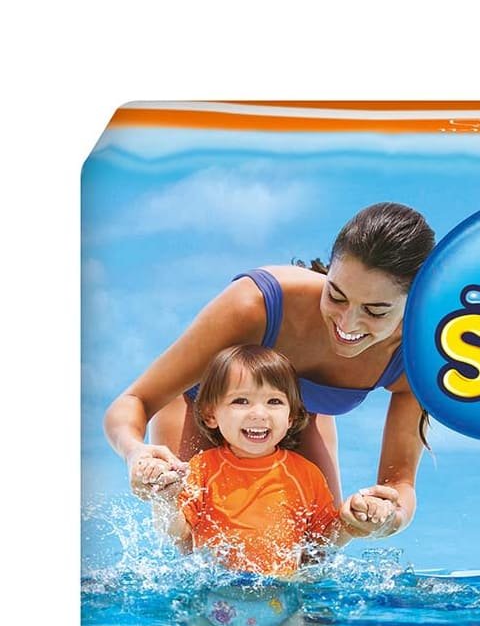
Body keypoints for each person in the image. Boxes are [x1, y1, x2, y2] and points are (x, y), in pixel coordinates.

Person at [104, 201, 436, 528]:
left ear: (417, 299)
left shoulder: (416, 358)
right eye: (336, 295)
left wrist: (385, 515)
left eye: (375, 311)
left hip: (299, 418)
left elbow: (400, 484)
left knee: (317, 544)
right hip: (198, 407)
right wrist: (135, 452)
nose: (347, 323)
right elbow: (135, 401)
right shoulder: (256, 304)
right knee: (193, 536)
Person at [149, 344, 391, 626]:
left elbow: (321, 542)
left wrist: (352, 522)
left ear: (292, 416)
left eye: (274, 401)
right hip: (212, 609)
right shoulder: (201, 470)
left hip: (282, 611)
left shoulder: (304, 474)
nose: (259, 413)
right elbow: (177, 531)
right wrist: (164, 500)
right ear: (211, 415)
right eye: (241, 401)